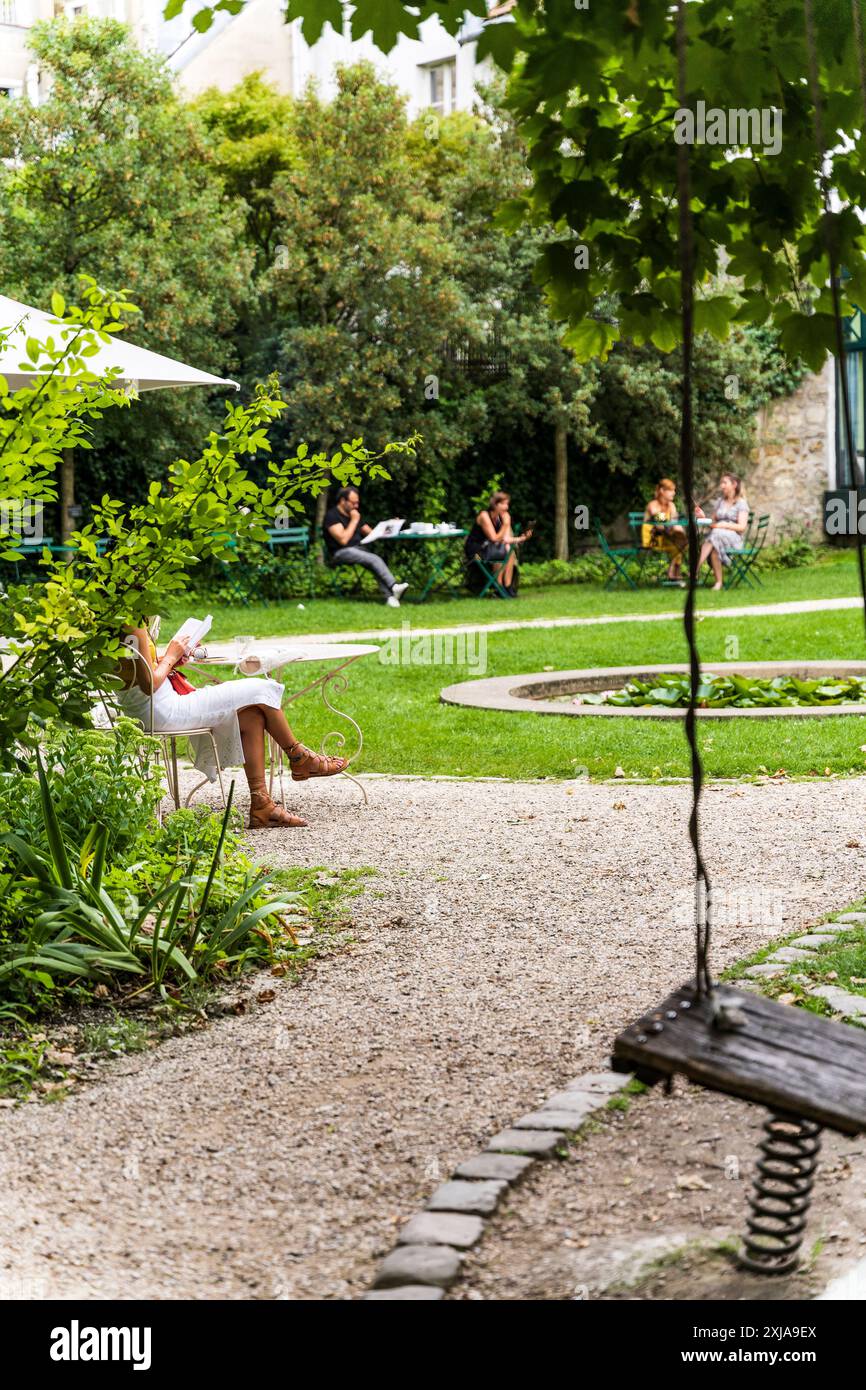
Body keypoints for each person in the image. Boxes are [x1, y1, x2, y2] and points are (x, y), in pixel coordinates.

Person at [115, 625, 348, 829]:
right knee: (261, 688)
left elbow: (139, 671)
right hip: (164, 710)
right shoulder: (131, 625)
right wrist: (170, 656)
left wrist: (171, 658)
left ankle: (262, 805)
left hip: (147, 709)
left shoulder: (115, 621)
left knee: (252, 716)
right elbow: (149, 684)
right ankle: (299, 757)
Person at [322, 487, 409, 607]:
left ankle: (390, 598)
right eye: (353, 503)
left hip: (358, 550)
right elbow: (343, 540)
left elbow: (372, 533)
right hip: (340, 553)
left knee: (373, 562)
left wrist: (389, 525)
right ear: (343, 501)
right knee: (373, 559)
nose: (356, 506)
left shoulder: (353, 514)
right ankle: (394, 586)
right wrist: (354, 520)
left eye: (357, 502)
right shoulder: (332, 516)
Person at [464, 490, 533, 597]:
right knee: (503, 548)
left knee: (508, 548)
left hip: (491, 548)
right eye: (504, 504)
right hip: (476, 552)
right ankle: (499, 586)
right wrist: (506, 524)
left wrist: (522, 538)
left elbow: (505, 539)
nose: (507, 507)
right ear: (495, 504)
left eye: (507, 504)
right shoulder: (484, 515)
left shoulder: (500, 517)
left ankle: (507, 586)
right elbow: (494, 538)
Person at [697, 471, 750, 590]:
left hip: (735, 539)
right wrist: (702, 517)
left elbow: (742, 527)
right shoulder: (720, 502)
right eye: (721, 483)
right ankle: (718, 582)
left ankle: (695, 568)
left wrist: (724, 524)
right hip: (718, 537)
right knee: (715, 540)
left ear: (734, 484)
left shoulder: (741, 504)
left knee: (715, 535)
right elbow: (712, 523)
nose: (722, 486)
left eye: (724, 483)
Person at [642, 478, 687, 584]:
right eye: (671, 490)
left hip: (667, 536)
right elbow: (659, 524)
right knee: (682, 540)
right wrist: (673, 526)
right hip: (653, 538)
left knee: (681, 539)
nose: (674, 493)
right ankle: (675, 571)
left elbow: (673, 522)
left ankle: (672, 569)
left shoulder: (671, 505)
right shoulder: (653, 505)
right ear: (662, 491)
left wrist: (674, 526)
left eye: (674, 490)